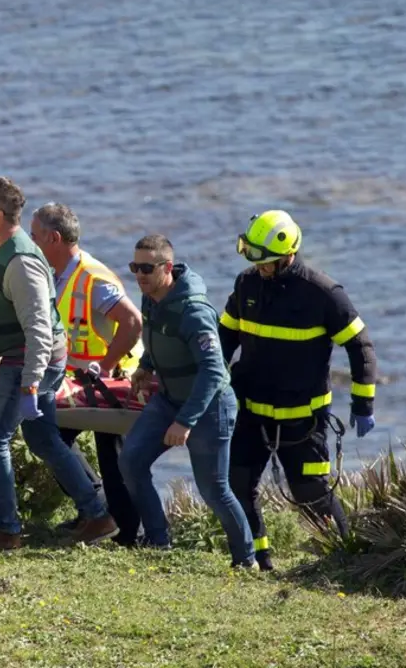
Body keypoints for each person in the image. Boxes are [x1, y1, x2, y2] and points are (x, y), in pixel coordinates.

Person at [218, 210, 378, 571]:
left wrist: (363, 402)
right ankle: (257, 560)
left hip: (303, 420)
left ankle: (346, 558)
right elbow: (224, 337)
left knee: (312, 494)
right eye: (254, 260)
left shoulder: (323, 293)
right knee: (238, 486)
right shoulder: (247, 285)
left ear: (288, 255)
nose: (259, 268)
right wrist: (211, 381)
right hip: (250, 413)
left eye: (267, 262)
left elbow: (361, 346)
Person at [0, 177, 119, 550]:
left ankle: (6, 529)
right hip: (22, 356)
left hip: (31, 360)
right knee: (41, 437)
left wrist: (31, 384)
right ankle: (98, 514)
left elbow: (38, 330)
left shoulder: (21, 262)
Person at [118, 234, 255, 567]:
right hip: (169, 399)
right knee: (131, 461)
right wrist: (145, 367)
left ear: (167, 268)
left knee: (214, 490)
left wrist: (185, 422)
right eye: (135, 267)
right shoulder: (151, 296)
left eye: (147, 268)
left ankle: (246, 559)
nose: (139, 275)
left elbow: (212, 371)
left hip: (208, 408)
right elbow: (156, 338)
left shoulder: (194, 311)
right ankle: (157, 541)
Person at [30, 202, 144, 545]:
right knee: (51, 438)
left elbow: (133, 322)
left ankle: (126, 533)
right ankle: (95, 508)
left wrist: (107, 367)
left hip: (111, 383)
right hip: (77, 382)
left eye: (34, 236)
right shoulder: (57, 272)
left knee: (113, 459)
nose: (30, 242)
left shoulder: (92, 278)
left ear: (53, 238)